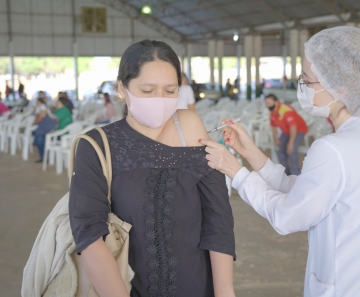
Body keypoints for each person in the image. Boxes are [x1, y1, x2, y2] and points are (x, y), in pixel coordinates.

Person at [200, 26, 360, 297]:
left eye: (307, 81)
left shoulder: (333, 148)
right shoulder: (348, 141)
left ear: (341, 86)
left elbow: (287, 214)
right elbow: (304, 191)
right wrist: (251, 153)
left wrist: (235, 170)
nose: (302, 87)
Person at [69, 40, 236, 297]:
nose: (160, 100)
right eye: (147, 90)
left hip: (197, 286)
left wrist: (225, 292)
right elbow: (90, 233)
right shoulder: (97, 146)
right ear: (122, 88)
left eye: (170, 91)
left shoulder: (189, 128)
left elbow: (218, 217)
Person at [265, 94, 308, 175]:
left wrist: (291, 143)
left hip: (299, 130)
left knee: (291, 149)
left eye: (269, 103)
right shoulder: (271, 112)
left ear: (276, 102)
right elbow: (273, 126)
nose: (268, 105)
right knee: (278, 148)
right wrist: (276, 139)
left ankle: (295, 173)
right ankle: (285, 172)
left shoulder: (285, 110)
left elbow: (293, 127)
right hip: (286, 132)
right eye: (266, 103)